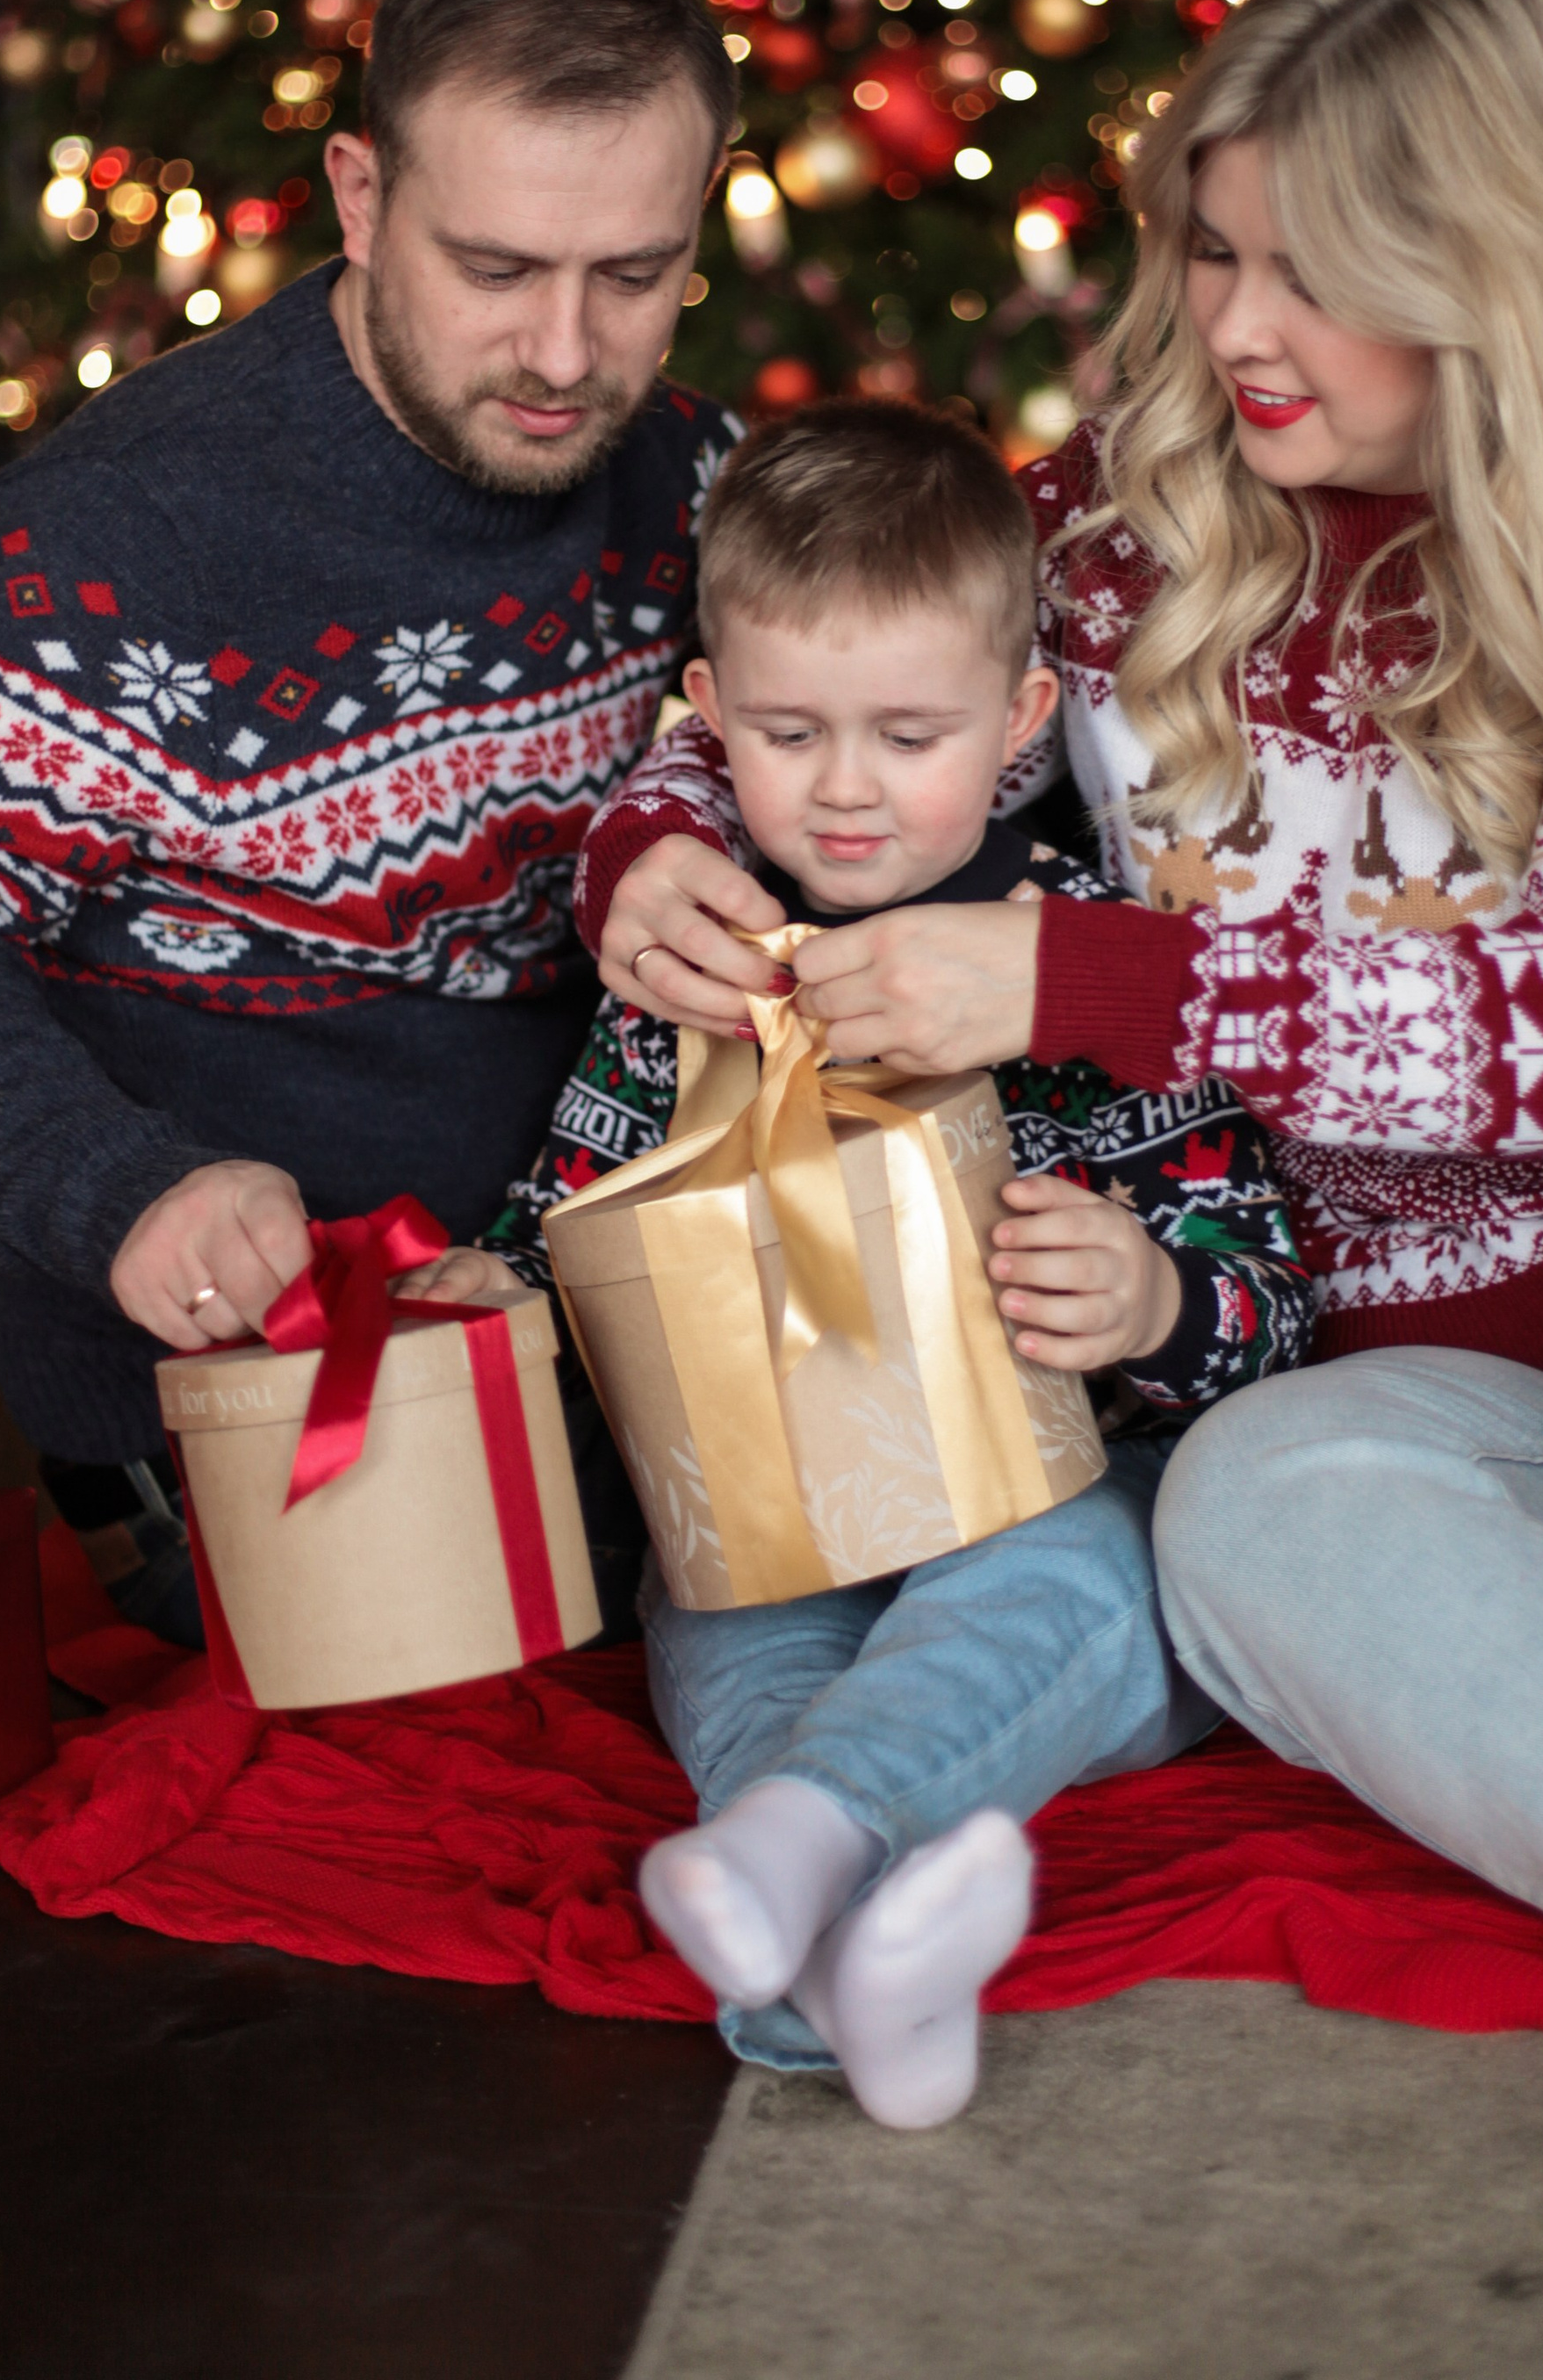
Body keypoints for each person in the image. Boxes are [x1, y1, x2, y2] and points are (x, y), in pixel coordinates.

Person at [577, 0, 1543, 2364]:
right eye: (1211, 245)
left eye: (1322, 273)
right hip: (1455, 1416)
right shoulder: (1129, 512)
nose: (1233, 328)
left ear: (1501, 266)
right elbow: (856, 655)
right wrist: (660, 834)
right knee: (1238, 1506)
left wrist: (1090, 975)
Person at [0, 0, 737, 1643]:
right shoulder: (110, 536)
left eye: (635, 275)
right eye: (496, 271)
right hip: (260, 1385)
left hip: (611, 1319)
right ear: (359, 200)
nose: (570, 355)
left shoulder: (690, 483)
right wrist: (118, 1187)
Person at [417, 400, 1310, 2126]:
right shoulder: (692, 976)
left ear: (1019, 722)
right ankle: (841, 1946)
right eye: (784, 731)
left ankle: (804, 1866)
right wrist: (505, 1292)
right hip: (770, 1515)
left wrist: (1153, 1296)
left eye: (907, 734)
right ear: (704, 719)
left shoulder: (1087, 973)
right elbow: (571, 1206)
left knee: (1081, 1587)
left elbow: (1263, 1283)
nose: (840, 787)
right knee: (728, 1645)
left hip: (1051, 1489)